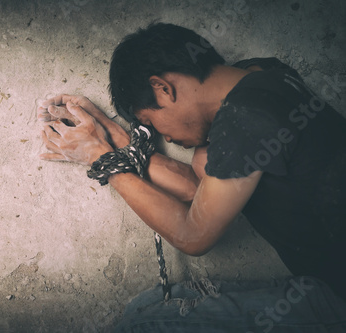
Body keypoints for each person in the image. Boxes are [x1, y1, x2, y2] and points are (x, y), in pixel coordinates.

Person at [37, 23, 346, 331]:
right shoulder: (262, 76)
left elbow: (193, 235)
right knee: (148, 306)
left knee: (141, 324)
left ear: (162, 87)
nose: (164, 137)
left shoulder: (245, 120)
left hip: (337, 295)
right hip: (325, 282)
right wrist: (116, 141)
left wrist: (100, 160)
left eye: (149, 121)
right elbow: (202, 194)